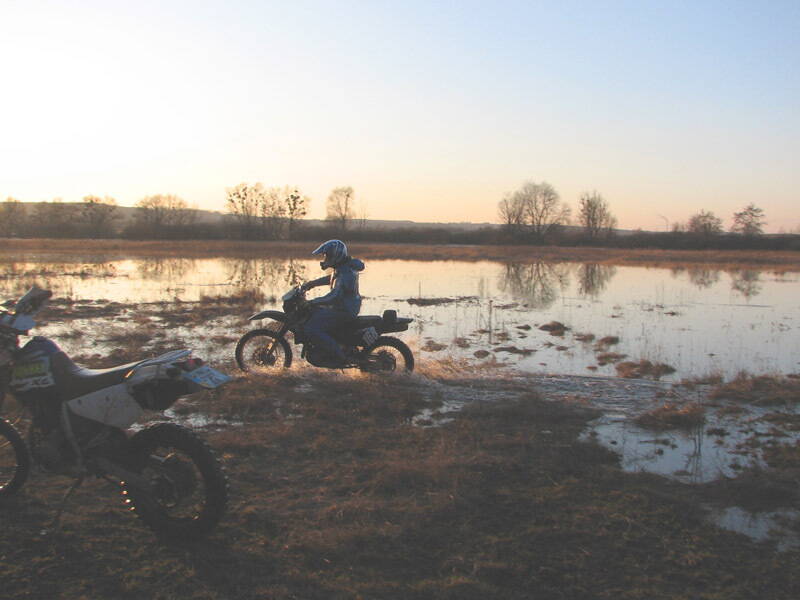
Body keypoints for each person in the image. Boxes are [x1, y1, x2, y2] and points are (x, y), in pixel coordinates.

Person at [301, 239, 365, 366]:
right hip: (343, 307)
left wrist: (312, 302)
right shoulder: (343, 268)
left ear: (336, 255)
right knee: (315, 316)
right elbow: (332, 278)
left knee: (311, 328)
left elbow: (334, 296)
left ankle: (339, 355)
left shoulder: (346, 273)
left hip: (344, 310)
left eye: (328, 256)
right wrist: (312, 284)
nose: (326, 259)